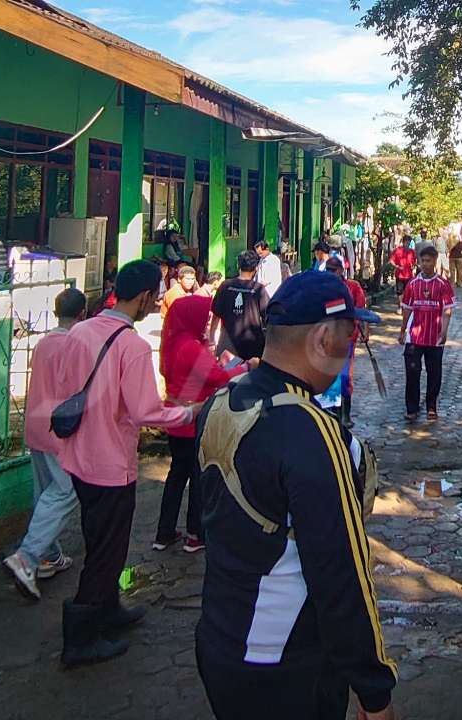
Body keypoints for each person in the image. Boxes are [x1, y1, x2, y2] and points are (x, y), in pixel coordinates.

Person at [194, 270, 396, 720]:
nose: (350, 350)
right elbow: (341, 573)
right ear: (324, 338)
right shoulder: (313, 430)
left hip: (220, 641)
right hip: (285, 665)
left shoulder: (223, 401)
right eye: (351, 336)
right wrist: (374, 689)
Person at [57, 260, 198, 666]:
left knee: (98, 539)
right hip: (110, 463)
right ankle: (81, 637)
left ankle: (107, 609)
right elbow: (145, 411)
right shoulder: (131, 346)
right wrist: (189, 413)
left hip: (79, 457)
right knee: (107, 549)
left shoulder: (80, 332)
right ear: (146, 297)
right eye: (155, 295)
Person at [2, 288, 88, 601]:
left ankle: (48, 555)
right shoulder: (75, 345)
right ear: (83, 314)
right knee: (65, 491)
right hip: (58, 429)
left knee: (45, 492)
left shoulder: (43, 342)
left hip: (36, 425)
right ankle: (27, 556)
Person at [156, 296, 249, 555]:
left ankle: (164, 533)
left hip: (174, 416)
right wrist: (245, 367)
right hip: (193, 419)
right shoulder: (192, 348)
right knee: (198, 478)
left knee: (176, 476)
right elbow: (218, 377)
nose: (208, 320)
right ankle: (196, 534)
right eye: (204, 316)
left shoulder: (174, 343)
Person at [400, 244, 455, 423]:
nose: (425, 264)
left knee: (434, 373)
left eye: (428, 261)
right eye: (422, 261)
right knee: (412, 372)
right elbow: (407, 309)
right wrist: (402, 331)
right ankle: (412, 408)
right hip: (415, 336)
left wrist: (444, 331)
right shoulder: (412, 284)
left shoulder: (443, 285)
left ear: (434, 261)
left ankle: (432, 406)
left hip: (434, 336)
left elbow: (447, 310)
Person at [322, 257, 370, 427]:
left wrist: (366, 329)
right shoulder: (323, 288)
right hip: (327, 337)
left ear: (341, 270)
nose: (330, 273)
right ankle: (332, 412)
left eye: (333, 270)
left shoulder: (353, 287)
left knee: (344, 375)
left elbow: (361, 309)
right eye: (328, 270)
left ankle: (345, 414)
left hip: (347, 337)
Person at [210, 250, 268, 363]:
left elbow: (216, 315)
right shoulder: (258, 289)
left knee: (228, 378)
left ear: (238, 265)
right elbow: (268, 317)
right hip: (252, 346)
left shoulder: (225, 285)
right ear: (255, 268)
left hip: (227, 345)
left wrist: (212, 339)